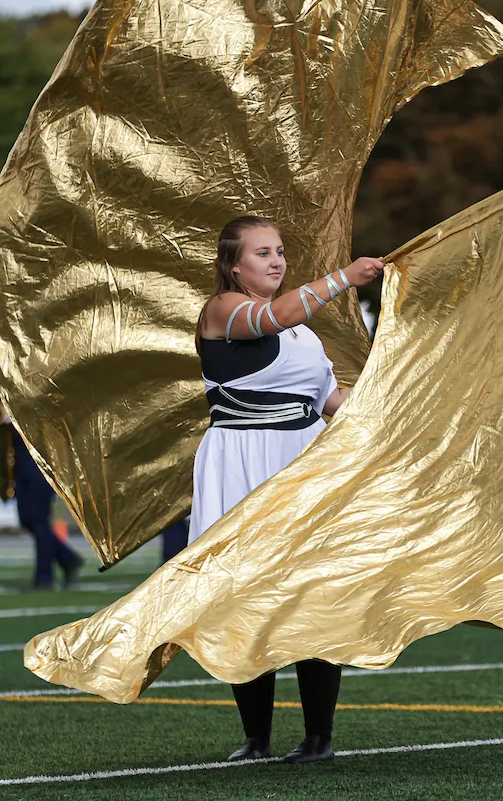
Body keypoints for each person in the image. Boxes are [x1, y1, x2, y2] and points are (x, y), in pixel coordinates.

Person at [192, 215, 382, 765]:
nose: (275, 261)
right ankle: (256, 738)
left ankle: (319, 738)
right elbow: (276, 314)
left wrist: (401, 392)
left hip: (301, 462)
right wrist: (345, 276)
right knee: (243, 597)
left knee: (311, 593)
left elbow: (331, 403)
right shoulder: (222, 310)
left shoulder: (303, 333)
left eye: (279, 252)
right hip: (241, 463)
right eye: (262, 253)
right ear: (234, 265)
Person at [11, 423, 84, 588]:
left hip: (41, 471)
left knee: (39, 523)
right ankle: (68, 558)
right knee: (27, 521)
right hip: (21, 472)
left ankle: (44, 577)